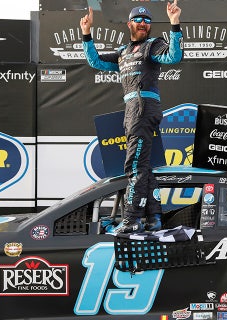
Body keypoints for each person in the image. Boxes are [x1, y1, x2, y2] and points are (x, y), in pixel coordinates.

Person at [80, 1, 183, 233]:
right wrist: (86, 33)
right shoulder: (123, 52)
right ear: (129, 24)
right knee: (144, 166)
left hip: (144, 108)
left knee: (134, 165)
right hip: (133, 110)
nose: (143, 24)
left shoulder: (153, 45)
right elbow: (95, 61)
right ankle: (154, 217)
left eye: (147, 21)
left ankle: (132, 219)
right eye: (138, 20)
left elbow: (174, 57)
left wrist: (175, 24)